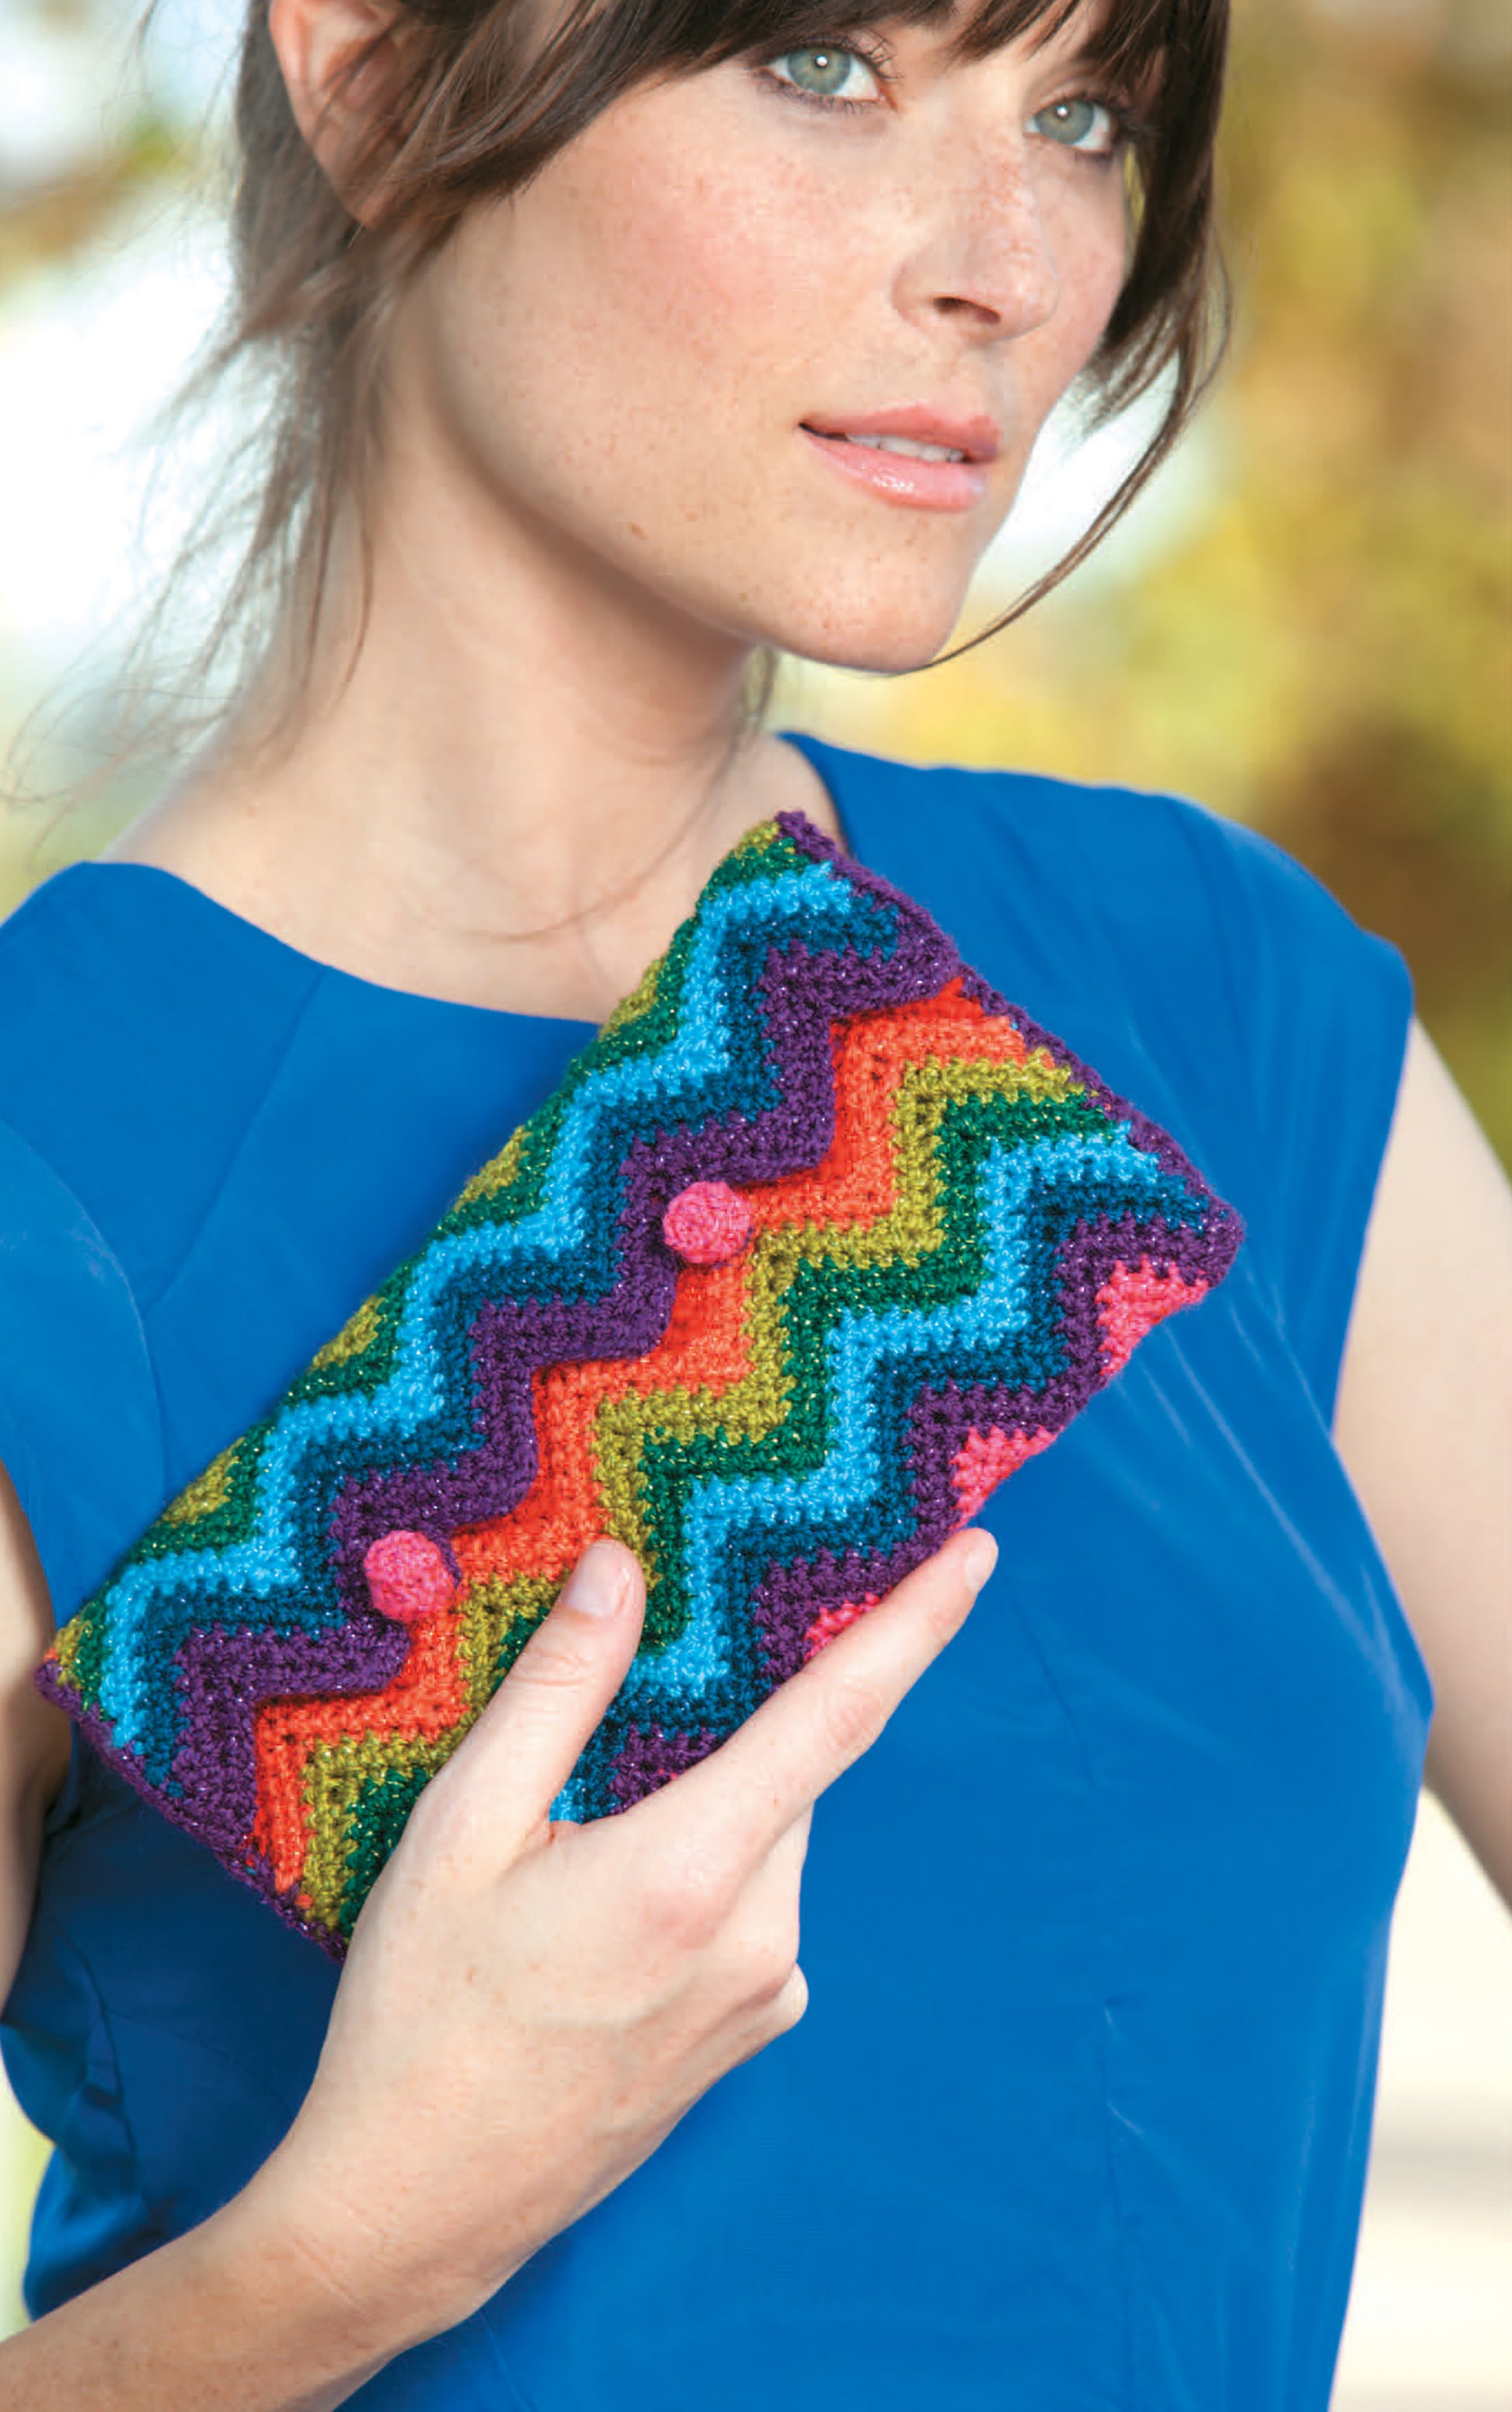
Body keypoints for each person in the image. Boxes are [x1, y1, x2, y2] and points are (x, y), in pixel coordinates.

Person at [0, 0, 1507, 2403]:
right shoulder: (44, 1165)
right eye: (825, 63)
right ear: (376, 69)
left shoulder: (1217, 1004)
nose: (1007, 263)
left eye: (1085, 112)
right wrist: (356, 2241)